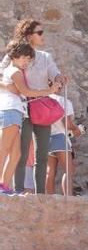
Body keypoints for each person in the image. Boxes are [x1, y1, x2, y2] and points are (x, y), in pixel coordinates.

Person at [0, 20, 67, 193]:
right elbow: (3, 77)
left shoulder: (45, 57)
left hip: (41, 109)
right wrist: (7, 87)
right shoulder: (13, 56)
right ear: (29, 35)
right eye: (40, 32)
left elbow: (55, 73)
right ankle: (18, 190)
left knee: (41, 154)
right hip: (20, 109)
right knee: (18, 153)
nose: (43, 35)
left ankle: (39, 195)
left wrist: (59, 79)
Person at [46, 94, 81, 195]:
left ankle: (49, 198)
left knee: (50, 171)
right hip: (60, 137)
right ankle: (68, 198)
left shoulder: (42, 97)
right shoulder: (63, 101)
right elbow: (67, 124)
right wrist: (77, 129)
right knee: (69, 170)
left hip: (45, 136)